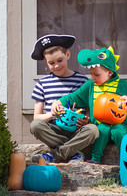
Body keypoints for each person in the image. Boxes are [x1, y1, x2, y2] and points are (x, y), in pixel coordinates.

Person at [51, 46, 127, 164]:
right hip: (99, 125)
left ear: (109, 73)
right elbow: (74, 96)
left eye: (96, 75)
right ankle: (95, 159)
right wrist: (58, 102)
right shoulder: (91, 85)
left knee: (117, 132)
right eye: (91, 74)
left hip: (120, 124)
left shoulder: (121, 85)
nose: (93, 77)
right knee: (101, 130)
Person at [30, 34, 99, 163]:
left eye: (60, 60)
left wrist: (86, 120)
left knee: (93, 130)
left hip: (77, 130)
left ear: (67, 55)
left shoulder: (83, 81)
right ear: (46, 62)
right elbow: (37, 117)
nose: (56, 65)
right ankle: (74, 152)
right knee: (35, 126)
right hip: (54, 130)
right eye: (51, 63)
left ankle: (54, 155)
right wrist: (51, 114)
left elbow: (90, 109)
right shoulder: (42, 84)